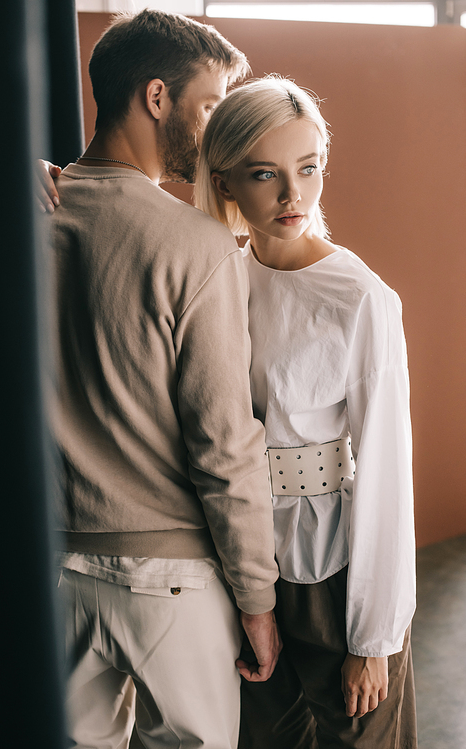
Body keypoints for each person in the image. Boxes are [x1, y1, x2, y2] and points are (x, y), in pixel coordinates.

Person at [50, 11, 281, 749]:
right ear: (157, 97)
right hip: (172, 585)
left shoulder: (21, 217)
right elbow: (224, 442)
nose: (218, 129)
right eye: (210, 104)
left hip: (51, 571)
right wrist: (257, 597)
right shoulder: (199, 245)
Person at [194, 77, 417, 748]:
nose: (294, 195)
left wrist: (373, 637)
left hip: (337, 574)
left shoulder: (361, 298)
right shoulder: (215, 278)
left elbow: (386, 470)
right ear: (226, 181)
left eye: (309, 168)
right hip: (239, 567)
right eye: (266, 173)